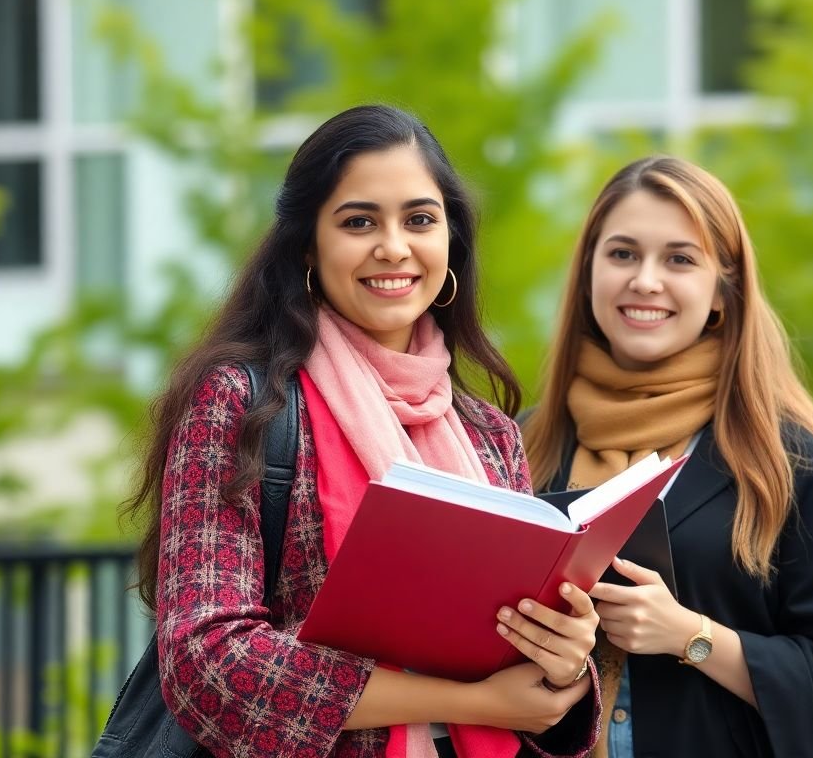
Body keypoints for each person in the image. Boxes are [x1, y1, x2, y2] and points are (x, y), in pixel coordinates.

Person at [124, 105, 602, 758]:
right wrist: (468, 703)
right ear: (307, 246)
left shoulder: (489, 432)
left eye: (419, 219)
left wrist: (566, 661)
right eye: (358, 222)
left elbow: (523, 681)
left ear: (450, 242)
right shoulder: (242, 402)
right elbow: (209, 663)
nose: (394, 247)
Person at [521, 156, 813, 757]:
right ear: (588, 275)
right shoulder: (523, 447)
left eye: (679, 259)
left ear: (721, 293)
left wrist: (689, 635)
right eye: (621, 254)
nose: (644, 280)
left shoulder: (789, 464)